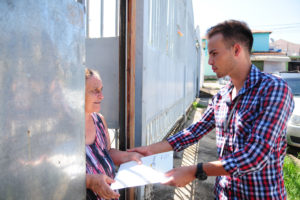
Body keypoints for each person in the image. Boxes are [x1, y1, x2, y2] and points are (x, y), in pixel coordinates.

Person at [128, 20, 295, 199]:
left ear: (237, 50)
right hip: (224, 194)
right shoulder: (222, 95)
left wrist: (195, 170)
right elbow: (194, 131)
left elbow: (255, 155)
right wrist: (151, 149)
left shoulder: (273, 89)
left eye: (214, 54)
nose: (209, 61)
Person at [85, 68, 142, 200]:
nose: (101, 96)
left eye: (101, 90)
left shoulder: (99, 120)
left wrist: (128, 157)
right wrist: (89, 181)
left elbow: (106, 152)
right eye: (95, 91)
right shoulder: (65, 129)